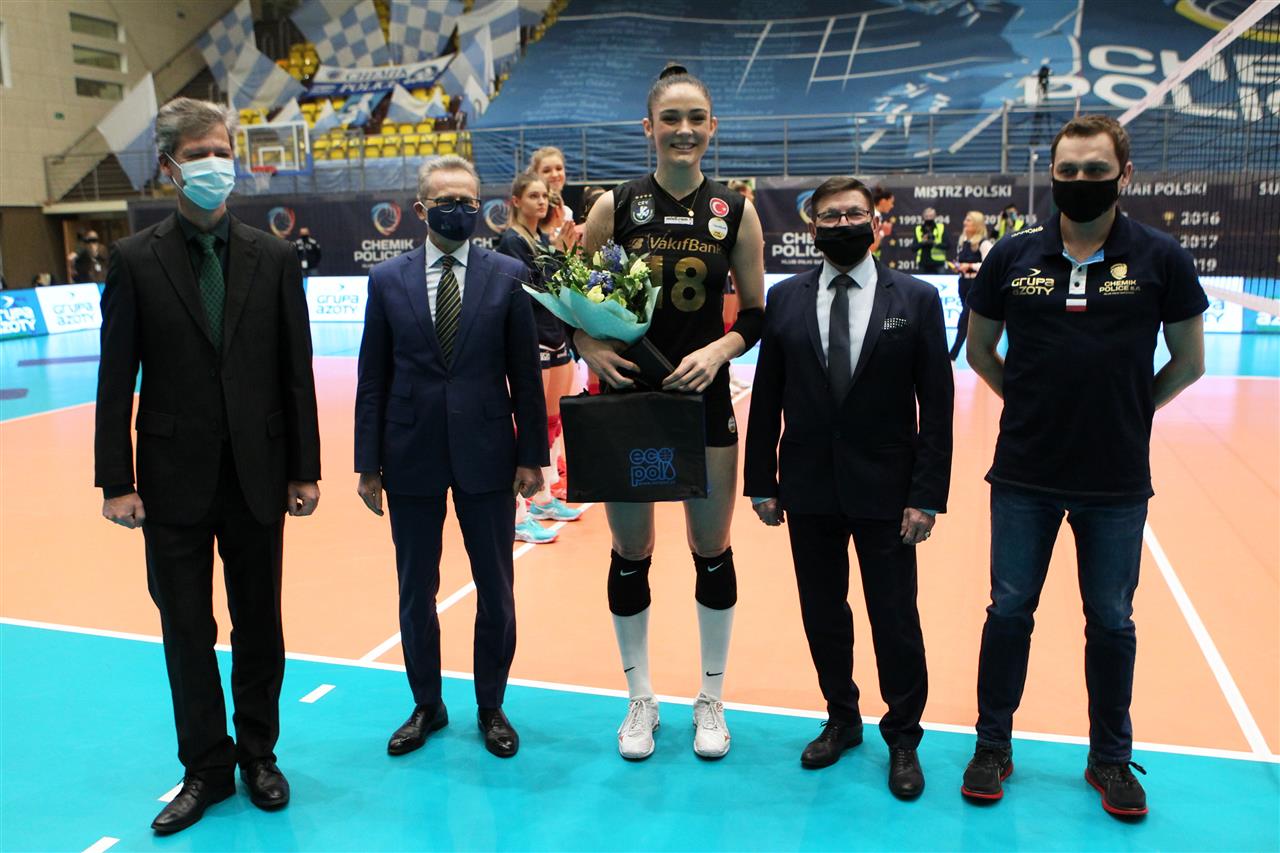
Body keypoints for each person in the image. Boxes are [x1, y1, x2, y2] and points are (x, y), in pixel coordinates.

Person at [961, 114, 1207, 816]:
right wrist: (1029, 404)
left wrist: (1130, 411)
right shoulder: (1013, 256)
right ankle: (992, 746)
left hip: (1115, 479)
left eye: (1095, 170)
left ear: (1124, 175)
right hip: (1024, 472)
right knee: (1009, 610)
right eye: (1067, 171)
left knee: (1111, 620)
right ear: (1052, 174)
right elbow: (980, 351)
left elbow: (1190, 362)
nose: (1079, 181)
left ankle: (1110, 759)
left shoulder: (1161, 257)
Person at [94, 97, 321, 835]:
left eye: (222, 150)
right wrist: (117, 481)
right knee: (186, 631)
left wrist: (304, 467)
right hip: (170, 481)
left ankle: (259, 755)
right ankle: (205, 769)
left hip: (259, 472)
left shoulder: (273, 257)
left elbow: (296, 373)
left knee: (260, 625)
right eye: (198, 154)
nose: (214, 164)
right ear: (170, 167)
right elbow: (114, 378)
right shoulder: (135, 260)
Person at [577, 64, 766, 761]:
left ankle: (711, 698)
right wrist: (587, 346)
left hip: (703, 400)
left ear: (712, 127)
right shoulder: (615, 206)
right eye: (670, 118)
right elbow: (575, 300)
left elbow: (756, 315)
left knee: (711, 550)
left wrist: (720, 349)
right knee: (632, 551)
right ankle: (641, 698)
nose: (683, 130)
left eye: (695, 118)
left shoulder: (736, 211)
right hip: (630, 402)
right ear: (648, 127)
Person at [744, 176, 953, 798]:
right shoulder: (784, 298)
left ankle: (904, 736)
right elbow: (767, 398)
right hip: (808, 485)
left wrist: (927, 494)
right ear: (812, 227)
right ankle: (842, 717)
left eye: (853, 214)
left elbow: (937, 406)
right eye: (830, 216)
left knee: (895, 616)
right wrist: (761, 480)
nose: (842, 224)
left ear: (875, 223)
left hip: (888, 489)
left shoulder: (916, 298)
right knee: (823, 611)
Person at [354, 155, 547, 762]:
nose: (459, 211)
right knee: (416, 590)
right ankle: (427, 705)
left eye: (468, 201)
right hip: (409, 453)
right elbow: (372, 379)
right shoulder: (386, 281)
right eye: (446, 202)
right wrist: (367, 464)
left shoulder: (509, 275)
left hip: (488, 453)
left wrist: (532, 455)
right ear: (421, 209)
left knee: (497, 587)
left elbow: (525, 375)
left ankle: (491, 706)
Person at [494, 171, 583, 541]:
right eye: (533, 195)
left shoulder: (540, 238)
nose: (542, 201)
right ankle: (516, 512)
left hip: (554, 333)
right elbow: (534, 288)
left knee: (550, 421)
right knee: (526, 425)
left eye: (544, 196)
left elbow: (560, 284)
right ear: (516, 201)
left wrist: (564, 251)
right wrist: (560, 252)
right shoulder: (510, 241)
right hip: (531, 337)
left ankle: (544, 497)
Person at [948, 210, 992, 361]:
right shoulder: (963, 242)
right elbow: (961, 261)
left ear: (977, 224)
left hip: (976, 284)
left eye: (969, 220)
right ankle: (979, 353)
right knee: (968, 320)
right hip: (963, 283)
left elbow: (989, 265)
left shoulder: (984, 243)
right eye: (965, 220)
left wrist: (970, 266)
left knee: (964, 319)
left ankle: (952, 356)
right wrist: (958, 267)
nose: (964, 223)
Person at [529, 146, 576, 251]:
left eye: (559, 168)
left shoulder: (568, 212)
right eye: (546, 171)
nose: (555, 175)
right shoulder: (533, 211)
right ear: (535, 175)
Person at [912, 208, 946, 274]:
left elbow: (947, 245)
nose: (929, 218)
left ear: (935, 216)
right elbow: (913, 248)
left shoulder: (940, 228)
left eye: (931, 216)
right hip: (923, 263)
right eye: (927, 216)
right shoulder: (919, 229)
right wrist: (922, 242)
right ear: (923, 217)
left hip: (938, 264)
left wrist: (934, 243)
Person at [871, 186, 895, 260]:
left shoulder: (874, 215)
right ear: (883, 201)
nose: (892, 206)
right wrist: (883, 232)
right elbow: (872, 248)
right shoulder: (875, 217)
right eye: (891, 202)